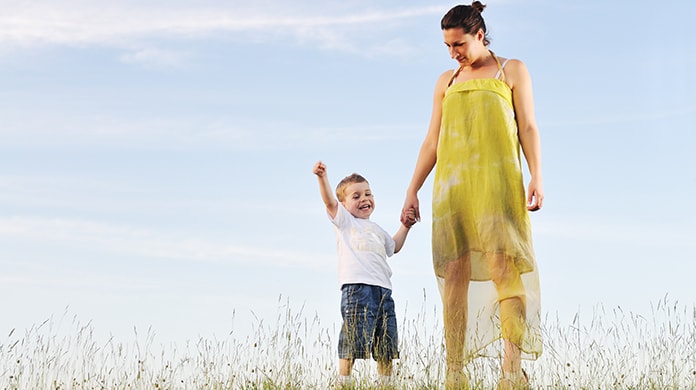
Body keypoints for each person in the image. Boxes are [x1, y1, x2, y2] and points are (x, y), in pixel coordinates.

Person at [400, 2, 544, 389]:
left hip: (498, 186)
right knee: (455, 277)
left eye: (459, 44)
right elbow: (432, 141)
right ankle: (455, 371)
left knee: (504, 269)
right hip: (452, 191)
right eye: (447, 46)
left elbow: (528, 127)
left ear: (479, 35)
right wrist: (412, 189)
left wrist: (536, 176)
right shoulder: (446, 81)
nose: (453, 53)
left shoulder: (510, 69)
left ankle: (511, 372)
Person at [313, 160, 417, 388]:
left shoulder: (377, 230)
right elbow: (329, 202)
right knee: (353, 335)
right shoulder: (345, 222)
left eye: (368, 194)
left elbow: (394, 247)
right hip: (357, 289)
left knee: (386, 340)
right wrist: (322, 178)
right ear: (343, 204)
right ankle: (344, 381)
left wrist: (406, 226)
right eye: (356, 196)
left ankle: (385, 383)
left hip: (383, 292)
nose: (364, 199)